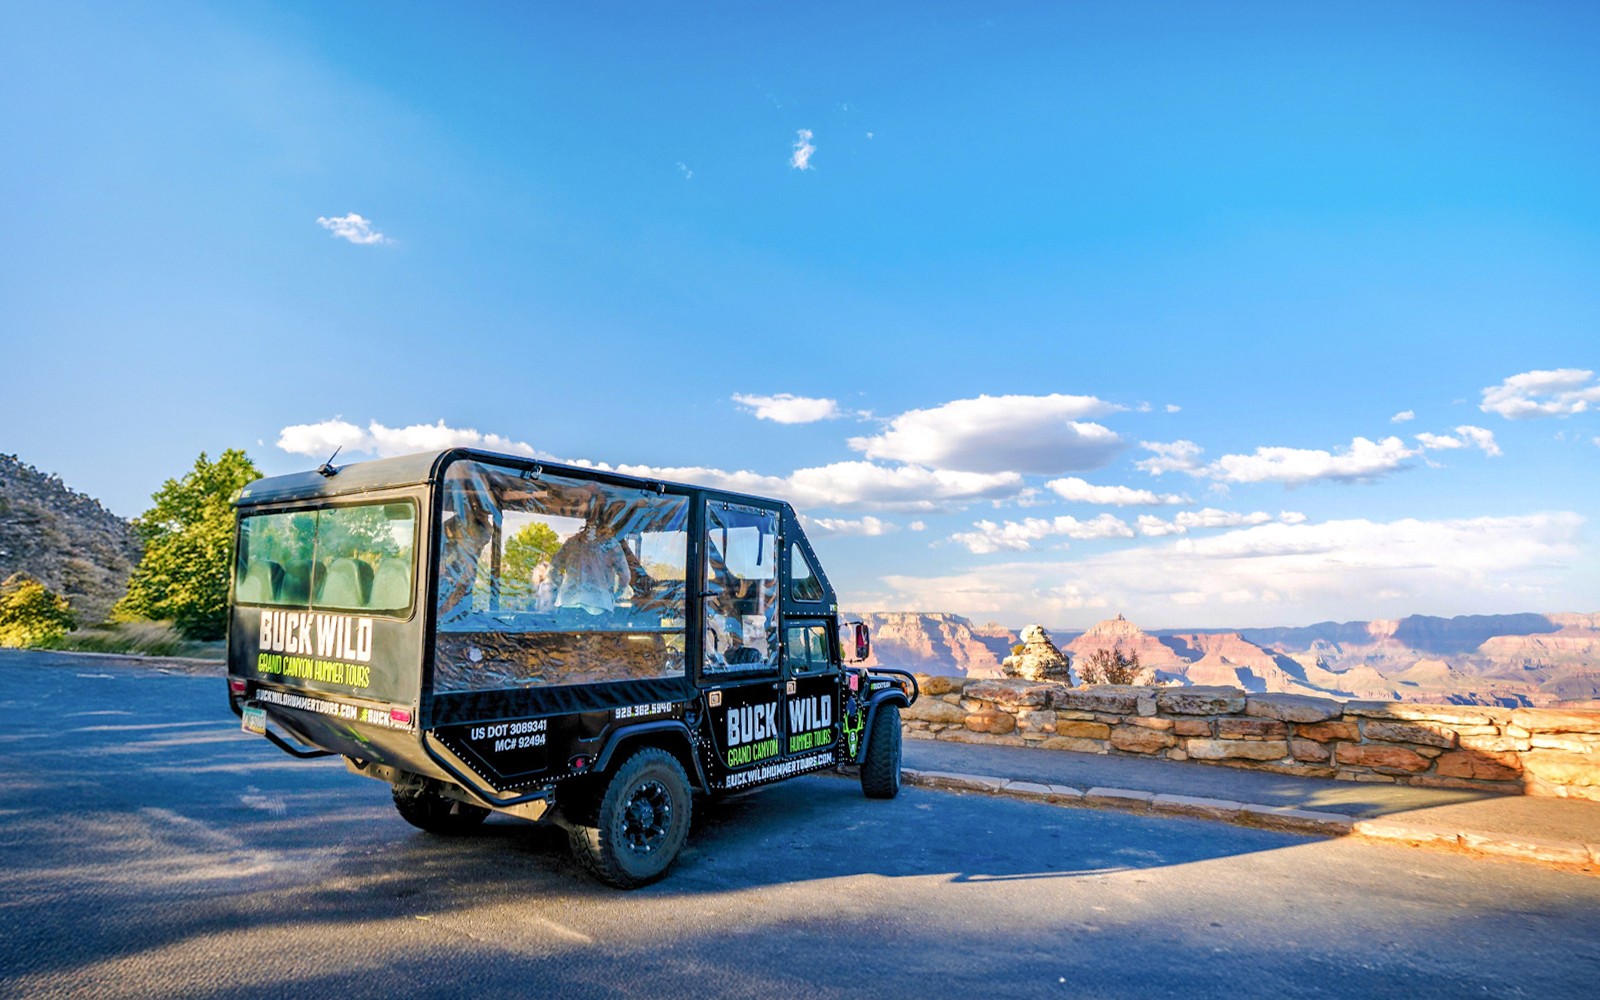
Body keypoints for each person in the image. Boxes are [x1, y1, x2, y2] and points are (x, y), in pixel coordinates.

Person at [549, 485, 631, 616]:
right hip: (598, 606)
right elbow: (625, 577)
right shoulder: (610, 544)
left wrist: (569, 588)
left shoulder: (571, 543)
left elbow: (552, 570)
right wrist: (613, 596)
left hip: (567, 605)